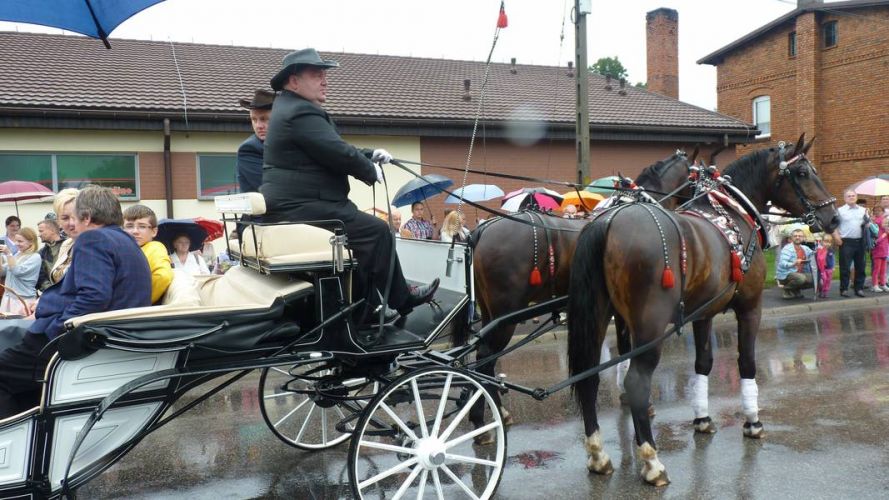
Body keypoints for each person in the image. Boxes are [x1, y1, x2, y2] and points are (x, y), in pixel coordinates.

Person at [260, 48, 438, 323]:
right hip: (299, 206)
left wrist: (370, 154)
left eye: (324, 74)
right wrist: (368, 169)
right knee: (378, 232)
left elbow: (333, 148)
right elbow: (337, 152)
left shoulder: (292, 108)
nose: (325, 80)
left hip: (304, 203)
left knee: (364, 232)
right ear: (293, 81)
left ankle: (367, 308)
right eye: (316, 74)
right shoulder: (299, 112)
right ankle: (400, 300)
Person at [0, 186, 152, 418]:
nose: (71, 223)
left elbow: (94, 297)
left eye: (75, 217)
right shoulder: (125, 241)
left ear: (87, 218)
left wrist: (57, 328)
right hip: (110, 338)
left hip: (73, 341)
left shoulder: (93, 238)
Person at [123, 205, 174, 303]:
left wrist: (137, 302)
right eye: (129, 226)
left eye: (142, 226)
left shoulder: (154, 247)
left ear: (154, 231)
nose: (135, 231)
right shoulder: (129, 249)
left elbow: (163, 277)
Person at [236, 89, 275, 194]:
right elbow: (271, 188)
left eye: (264, 119)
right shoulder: (249, 149)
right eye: (254, 119)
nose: (258, 126)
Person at [833, 189, 868, 297]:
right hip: (846, 242)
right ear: (844, 198)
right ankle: (844, 289)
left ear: (856, 197)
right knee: (845, 267)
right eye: (849, 196)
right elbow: (833, 225)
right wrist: (836, 237)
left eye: (853, 195)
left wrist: (867, 222)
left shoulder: (863, 210)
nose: (851, 197)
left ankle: (859, 289)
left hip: (860, 241)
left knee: (860, 267)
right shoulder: (839, 210)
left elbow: (867, 223)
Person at [0, 228, 41, 315]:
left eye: (20, 241)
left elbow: (17, 271)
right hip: (8, 297)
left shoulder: (35, 257)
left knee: (20, 327)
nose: (16, 244)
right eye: (16, 241)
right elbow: (2, 271)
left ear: (31, 242)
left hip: (22, 300)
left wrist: (8, 254)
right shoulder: (18, 254)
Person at [48, 189, 80, 285]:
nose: (72, 223)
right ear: (58, 222)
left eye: (77, 216)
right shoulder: (67, 244)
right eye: (65, 218)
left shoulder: (95, 245)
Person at [776, 229, 814, 299]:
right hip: (786, 275)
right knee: (801, 278)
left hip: (799, 274)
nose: (797, 237)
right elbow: (782, 263)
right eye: (795, 236)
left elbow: (814, 254)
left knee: (817, 279)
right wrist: (794, 263)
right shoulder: (787, 249)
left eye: (800, 236)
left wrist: (821, 249)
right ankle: (786, 289)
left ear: (803, 238)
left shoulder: (805, 248)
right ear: (792, 238)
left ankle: (795, 290)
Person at [36, 218, 66, 291]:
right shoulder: (41, 253)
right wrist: (51, 291)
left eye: (41, 231)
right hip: (53, 295)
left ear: (52, 231)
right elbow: (41, 277)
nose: (39, 235)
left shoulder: (69, 246)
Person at [815, 234, 836, 299]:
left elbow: (832, 258)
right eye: (826, 241)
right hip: (822, 269)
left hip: (829, 268)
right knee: (823, 280)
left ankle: (825, 292)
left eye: (829, 242)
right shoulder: (819, 249)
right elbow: (818, 259)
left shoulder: (831, 250)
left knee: (828, 280)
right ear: (822, 241)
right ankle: (820, 291)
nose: (827, 244)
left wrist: (833, 266)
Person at [872, 216, 889, 293]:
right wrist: (885, 234)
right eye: (884, 223)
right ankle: (875, 285)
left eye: (887, 223)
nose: (886, 224)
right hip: (877, 253)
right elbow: (876, 241)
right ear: (880, 223)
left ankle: (883, 284)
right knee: (877, 270)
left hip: (885, 253)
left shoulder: (887, 232)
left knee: (883, 270)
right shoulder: (877, 231)